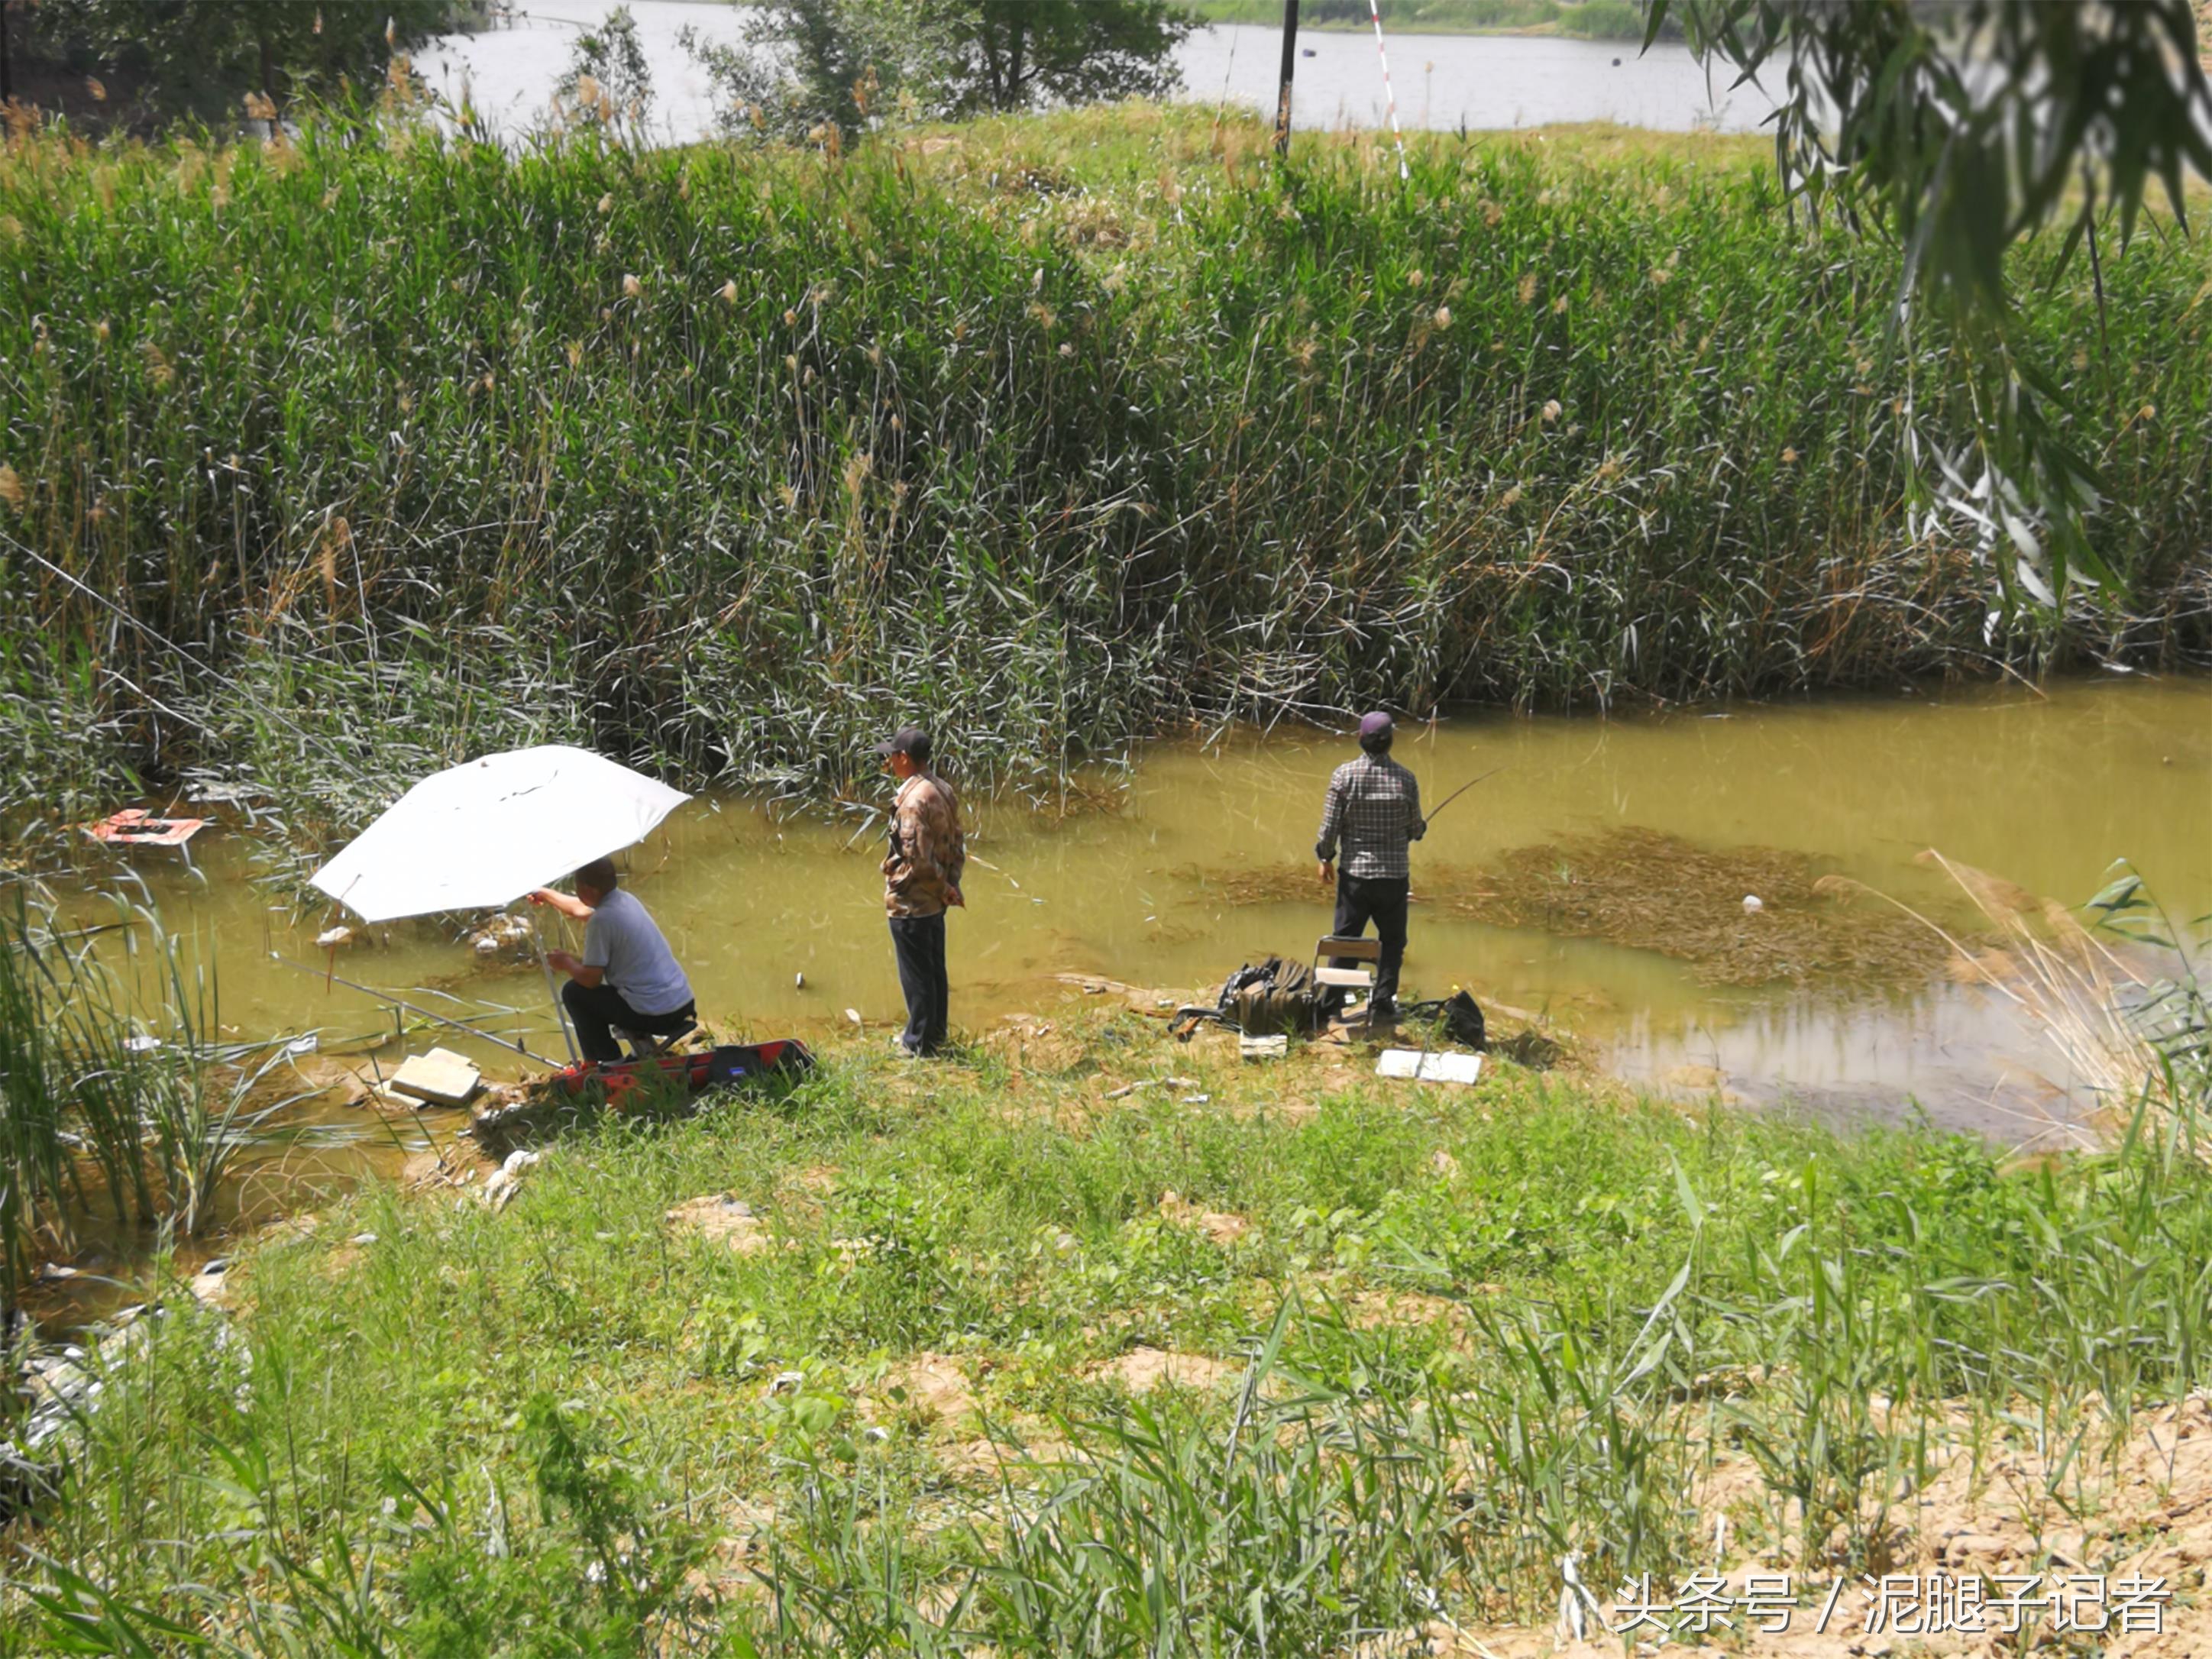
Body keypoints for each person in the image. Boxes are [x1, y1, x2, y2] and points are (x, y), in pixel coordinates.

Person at [529, 856, 697, 1064]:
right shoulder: (626, 900)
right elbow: (581, 909)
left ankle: (609, 1061)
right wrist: (546, 893)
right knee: (613, 991)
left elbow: (591, 980)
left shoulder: (602, 921)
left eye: (578, 887)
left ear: (590, 890)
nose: (577, 893)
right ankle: (636, 1053)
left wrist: (566, 962)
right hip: (682, 1004)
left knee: (575, 993)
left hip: (658, 1015)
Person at [1315, 710, 1425, 1023]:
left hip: (1355, 876)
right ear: (1390, 743)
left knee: (1346, 940)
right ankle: (1382, 1004)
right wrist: (1419, 829)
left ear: (1361, 740)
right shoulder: (1406, 779)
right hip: (1394, 877)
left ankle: (1331, 1005)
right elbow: (1415, 828)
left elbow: (1329, 828)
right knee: (1392, 942)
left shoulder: (1344, 776)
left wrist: (1325, 858)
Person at [876, 725, 965, 1058]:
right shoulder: (942, 789)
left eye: (892, 756)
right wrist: (951, 886)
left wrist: (941, 888)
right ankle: (935, 1035)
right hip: (935, 899)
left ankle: (918, 1046)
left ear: (904, 758)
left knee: (917, 977)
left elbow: (917, 861)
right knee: (933, 971)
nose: (889, 762)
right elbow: (958, 842)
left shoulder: (913, 801)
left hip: (912, 902)